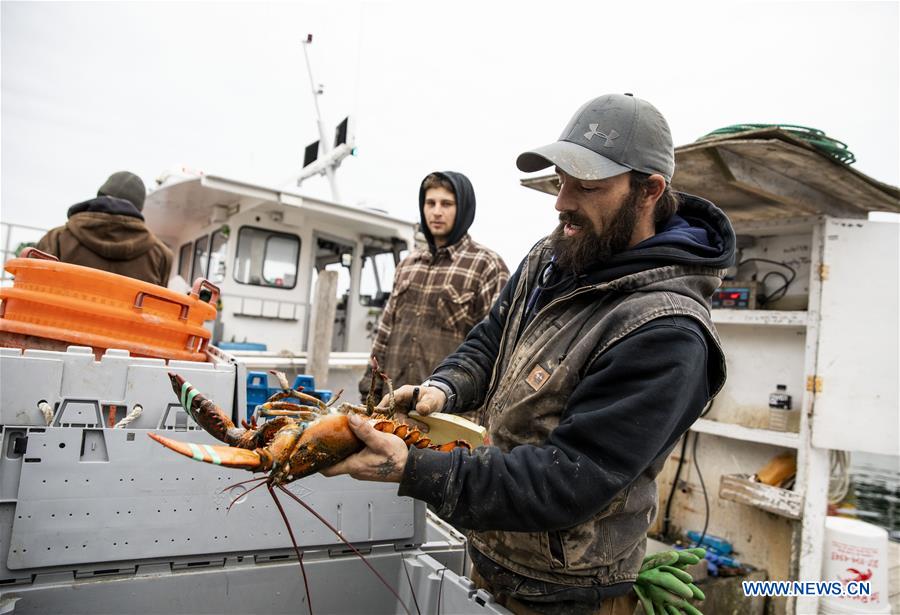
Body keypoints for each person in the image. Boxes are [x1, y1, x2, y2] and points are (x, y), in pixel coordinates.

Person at [325, 93, 735, 615]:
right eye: (561, 179)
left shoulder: (667, 331)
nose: (561, 201)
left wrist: (413, 468)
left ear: (649, 190)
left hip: (567, 592)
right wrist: (443, 386)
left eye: (586, 186)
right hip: (494, 551)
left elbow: (569, 479)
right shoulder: (554, 254)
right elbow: (493, 336)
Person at [359, 171, 509, 402]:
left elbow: (495, 348)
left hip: (447, 413)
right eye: (430, 203)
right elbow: (385, 333)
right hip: (394, 404)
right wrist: (370, 390)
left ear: (464, 209)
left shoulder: (487, 265)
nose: (436, 211)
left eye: (446, 204)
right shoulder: (408, 264)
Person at [36, 171, 173, 286]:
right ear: (139, 209)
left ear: (99, 196)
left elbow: (33, 292)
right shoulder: (161, 255)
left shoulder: (55, 238)